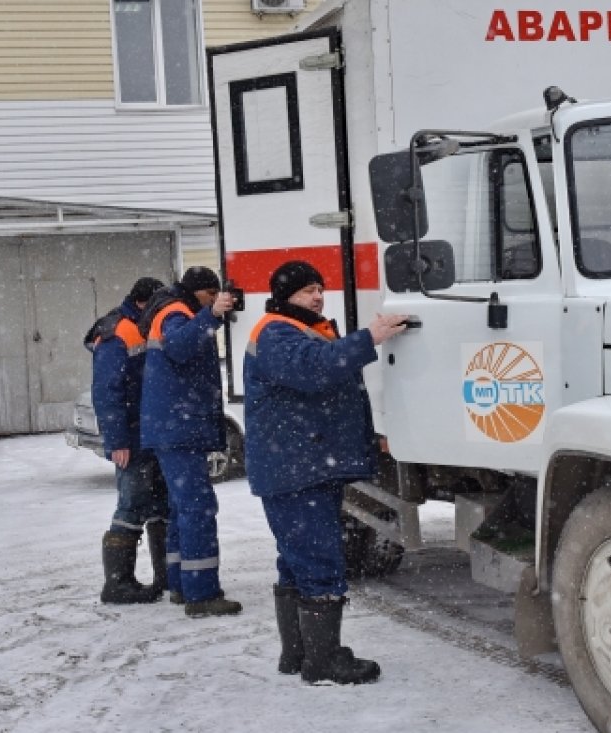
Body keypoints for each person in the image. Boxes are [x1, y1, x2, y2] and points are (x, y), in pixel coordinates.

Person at [243, 260, 408, 684]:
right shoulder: (275, 331)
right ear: (285, 297)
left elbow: (327, 393)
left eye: (319, 288)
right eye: (306, 291)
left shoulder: (302, 331)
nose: (317, 296)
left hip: (301, 466)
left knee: (296, 561)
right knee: (318, 560)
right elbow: (316, 370)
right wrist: (370, 337)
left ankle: (297, 654)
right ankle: (323, 660)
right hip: (297, 471)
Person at [140, 266, 242, 617]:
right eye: (210, 294)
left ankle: (181, 583)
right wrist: (211, 316)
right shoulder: (175, 311)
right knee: (198, 508)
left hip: (173, 427)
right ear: (196, 291)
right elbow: (181, 348)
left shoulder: (172, 308)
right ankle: (201, 593)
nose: (214, 301)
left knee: (182, 508)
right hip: (179, 428)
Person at [84, 276, 168, 604]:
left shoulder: (144, 325)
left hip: (152, 433)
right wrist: (117, 440)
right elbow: (106, 391)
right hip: (132, 437)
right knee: (132, 506)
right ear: (143, 303)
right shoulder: (117, 332)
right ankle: (117, 584)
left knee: (161, 505)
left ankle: (165, 575)